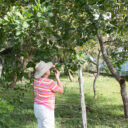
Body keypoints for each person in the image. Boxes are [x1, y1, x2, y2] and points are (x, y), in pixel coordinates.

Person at [34, 61, 63, 128]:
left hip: (37, 107)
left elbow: (43, 73)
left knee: (41, 126)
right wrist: (57, 77)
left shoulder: (36, 80)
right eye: (48, 69)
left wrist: (50, 68)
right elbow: (61, 90)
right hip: (46, 109)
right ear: (45, 72)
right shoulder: (49, 82)